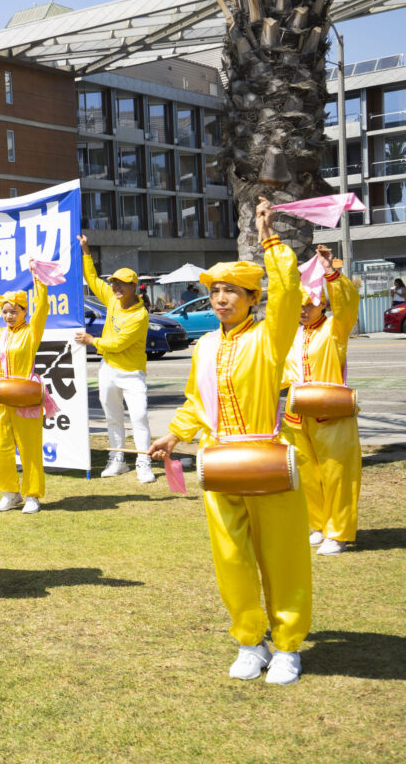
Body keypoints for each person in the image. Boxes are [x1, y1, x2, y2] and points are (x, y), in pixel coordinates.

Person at [149, 197, 310, 686]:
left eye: (232, 291)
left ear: (251, 298)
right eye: (216, 290)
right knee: (231, 556)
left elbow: (287, 294)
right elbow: (197, 402)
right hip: (218, 463)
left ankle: (287, 647)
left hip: (266, 460)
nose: (221, 299)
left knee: (281, 554)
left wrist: (271, 239)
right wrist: (175, 434)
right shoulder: (204, 346)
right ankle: (249, 639)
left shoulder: (269, 336)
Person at [282, 246, 361, 556]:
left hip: (331, 413)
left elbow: (347, 305)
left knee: (337, 473)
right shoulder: (293, 334)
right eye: (299, 304)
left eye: (309, 303)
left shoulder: (334, 330)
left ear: (323, 303)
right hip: (297, 416)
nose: (303, 309)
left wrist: (331, 272)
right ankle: (317, 524)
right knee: (308, 475)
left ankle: (338, 533)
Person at [75, 238, 155, 484]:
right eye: (114, 282)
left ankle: (143, 462)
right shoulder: (111, 298)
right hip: (108, 369)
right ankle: (118, 459)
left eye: (122, 283)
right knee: (113, 417)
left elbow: (119, 344)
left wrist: (92, 341)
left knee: (139, 417)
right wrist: (86, 250)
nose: (116, 287)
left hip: (132, 373)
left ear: (134, 286)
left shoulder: (139, 315)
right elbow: (91, 278)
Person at [0, 265, 49, 514]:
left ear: (23, 312)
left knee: (29, 446)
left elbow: (42, 308)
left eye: (14, 311)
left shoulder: (31, 332)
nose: (9, 316)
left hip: (25, 396)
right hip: (0, 398)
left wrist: (37, 279)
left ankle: (32, 495)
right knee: (1, 447)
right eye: (5, 312)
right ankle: (11, 493)